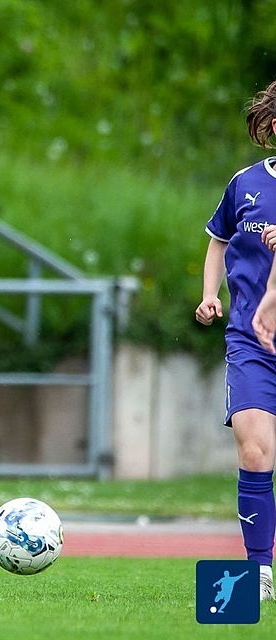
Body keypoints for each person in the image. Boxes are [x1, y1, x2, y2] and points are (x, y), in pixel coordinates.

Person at [197, 78, 276, 603]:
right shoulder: (245, 183)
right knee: (254, 450)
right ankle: (260, 574)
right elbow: (217, 242)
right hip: (251, 342)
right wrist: (209, 294)